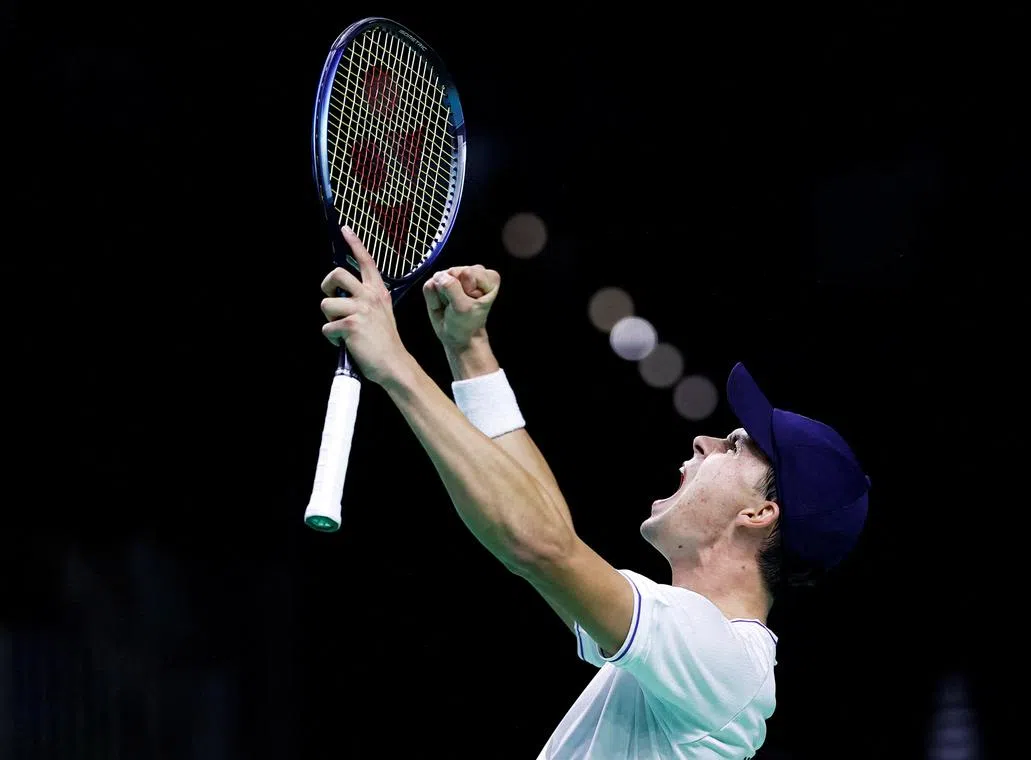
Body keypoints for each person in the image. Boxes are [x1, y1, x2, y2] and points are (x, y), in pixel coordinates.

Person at [318, 226, 871, 759]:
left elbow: (540, 544)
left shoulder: (727, 663)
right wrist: (470, 351)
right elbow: (546, 539)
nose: (704, 440)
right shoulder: (690, 655)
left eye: (731, 445)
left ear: (760, 513)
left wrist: (394, 363)